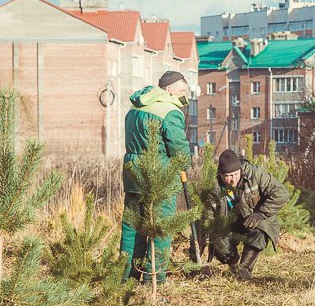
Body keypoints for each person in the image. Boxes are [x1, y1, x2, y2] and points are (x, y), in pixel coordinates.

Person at [120, 70, 192, 283]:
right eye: (181, 90)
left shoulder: (136, 106)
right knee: (160, 227)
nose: (183, 95)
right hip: (160, 176)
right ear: (169, 89)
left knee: (132, 226)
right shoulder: (169, 110)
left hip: (133, 174)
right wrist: (184, 164)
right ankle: (155, 279)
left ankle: (126, 276)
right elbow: (178, 145)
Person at [206, 149, 289, 280]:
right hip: (230, 223)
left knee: (260, 232)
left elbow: (281, 193)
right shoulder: (213, 187)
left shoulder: (255, 174)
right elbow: (207, 221)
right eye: (227, 176)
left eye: (235, 174)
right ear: (220, 174)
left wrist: (259, 214)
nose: (232, 179)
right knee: (218, 241)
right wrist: (196, 256)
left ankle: (244, 269)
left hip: (254, 218)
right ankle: (233, 264)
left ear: (240, 170)